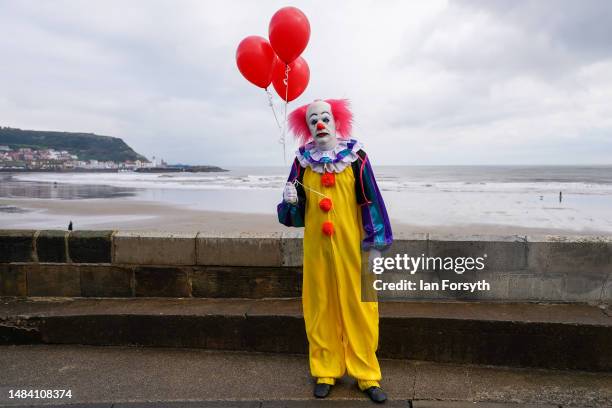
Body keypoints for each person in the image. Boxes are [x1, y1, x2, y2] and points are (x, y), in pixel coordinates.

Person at [277, 99, 393, 403]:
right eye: (313, 119)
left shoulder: (355, 157)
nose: (319, 123)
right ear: (307, 126)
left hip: (353, 248)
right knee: (319, 307)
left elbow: (371, 202)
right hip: (317, 250)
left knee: (362, 309)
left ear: (336, 121)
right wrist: (289, 200)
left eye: (325, 117)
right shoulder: (302, 162)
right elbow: (295, 215)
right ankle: (325, 370)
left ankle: (367, 374)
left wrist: (376, 243)